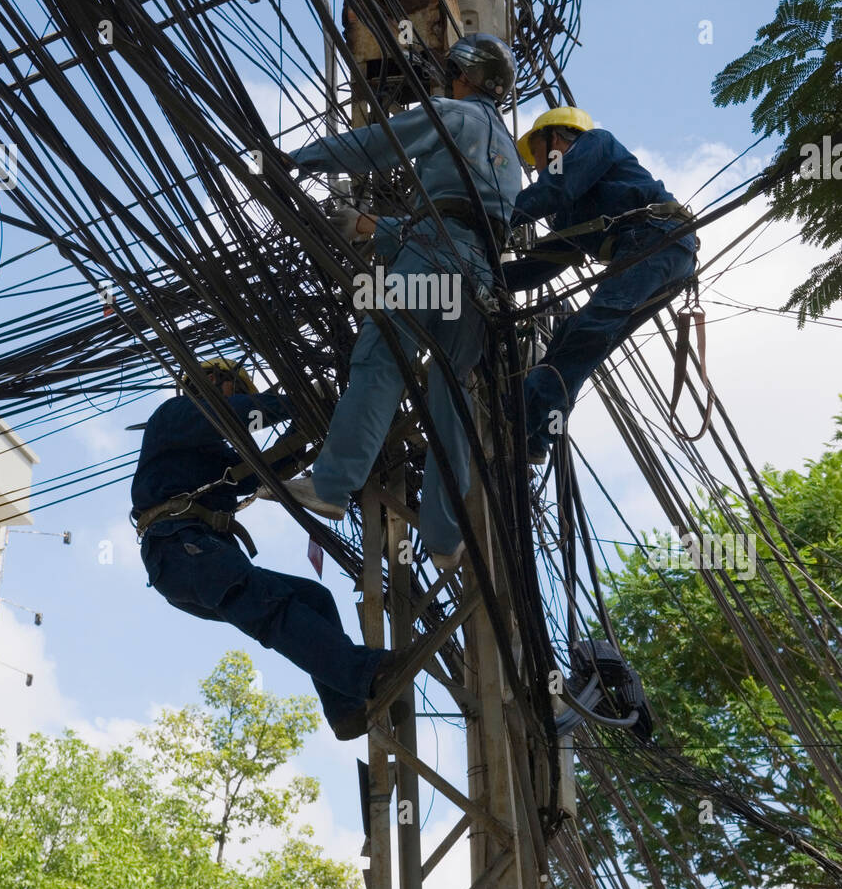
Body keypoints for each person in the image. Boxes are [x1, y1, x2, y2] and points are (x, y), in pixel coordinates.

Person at [274, 34, 522, 570]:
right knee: (452, 394)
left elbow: (376, 145)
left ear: (461, 72)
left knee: (382, 357)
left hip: (433, 256)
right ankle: (444, 536)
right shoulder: (511, 157)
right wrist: (376, 227)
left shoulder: (454, 115)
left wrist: (299, 158)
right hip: (482, 279)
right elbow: (462, 222)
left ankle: (332, 486)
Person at [131, 358, 414, 740]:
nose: (241, 398)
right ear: (210, 380)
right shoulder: (174, 416)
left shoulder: (211, 458)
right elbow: (231, 415)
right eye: (238, 389)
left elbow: (261, 470)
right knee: (269, 604)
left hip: (199, 555)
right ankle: (365, 673)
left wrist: (307, 428)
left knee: (314, 599)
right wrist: (296, 401)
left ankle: (346, 709)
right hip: (180, 546)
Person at [505, 107, 698, 462]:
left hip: (658, 238)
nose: (537, 166)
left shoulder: (596, 143)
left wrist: (498, 220)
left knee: (589, 331)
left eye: (538, 153)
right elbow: (544, 264)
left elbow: (554, 188)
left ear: (558, 138)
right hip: (660, 251)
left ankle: (518, 416)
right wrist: (490, 278)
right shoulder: (569, 211)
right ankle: (540, 435)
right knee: (577, 339)